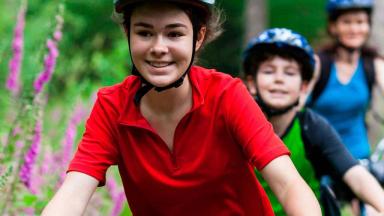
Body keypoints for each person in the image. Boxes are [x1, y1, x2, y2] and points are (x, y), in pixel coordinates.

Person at [42, 1, 321, 215]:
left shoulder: (227, 95)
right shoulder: (112, 106)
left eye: (174, 34)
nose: (158, 47)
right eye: (144, 32)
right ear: (128, 33)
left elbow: (287, 184)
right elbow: (74, 193)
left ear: (198, 38)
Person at [242, 28, 384, 215]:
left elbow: (354, 175)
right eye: (269, 71)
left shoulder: (312, 126)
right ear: (252, 83)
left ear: (304, 86)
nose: (279, 79)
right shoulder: (239, 123)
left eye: (290, 73)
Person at [306, 0, 384, 213]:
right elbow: (297, 106)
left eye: (360, 22)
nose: (354, 28)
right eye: (347, 22)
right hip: (317, 158)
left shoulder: (373, 64)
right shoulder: (318, 64)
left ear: (368, 25)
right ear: (333, 26)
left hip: (358, 156)